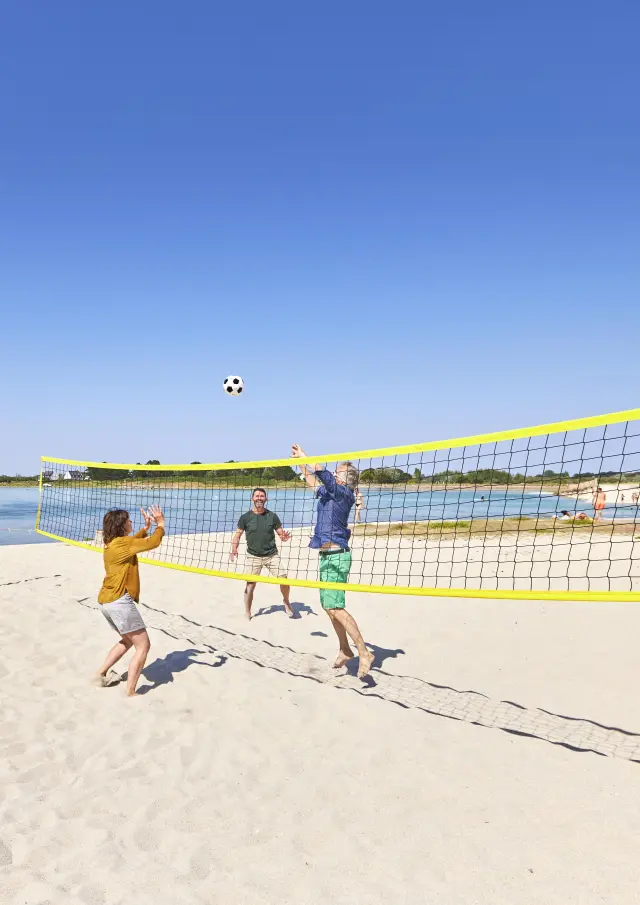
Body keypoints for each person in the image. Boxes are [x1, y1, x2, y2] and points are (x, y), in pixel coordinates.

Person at [291, 444, 374, 679]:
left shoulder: (344, 493)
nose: (334, 475)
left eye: (337, 473)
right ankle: (345, 649)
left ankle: (363, 652)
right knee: (329, 608)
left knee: (335, 607)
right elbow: (312, 480)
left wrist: (308, 456)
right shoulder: (330, 493)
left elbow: (321, 472)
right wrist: (299, 461)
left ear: (344, 480)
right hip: (326, 555)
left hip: (338, 555)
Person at [94, 506, 165, 697]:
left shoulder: (112, 542)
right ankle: (131, 692)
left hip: (105, 602)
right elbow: (154, 542)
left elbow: (133, 541)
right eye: (129, 520)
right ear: (121, 525)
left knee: (127, 640)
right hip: (118, 602)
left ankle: (100, 673)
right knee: (143, 646)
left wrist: (145, 528)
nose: (131, 522)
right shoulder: (123, 545)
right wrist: (160, 524)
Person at [230, 487, 293, 619]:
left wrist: (284, 537)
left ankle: (286, 601)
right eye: (257, 496)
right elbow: (237, 535)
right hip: (253, 556)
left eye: (262, 496)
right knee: (250, 586)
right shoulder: (245, 517)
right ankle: (247, 611)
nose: (259, 498)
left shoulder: (272, 516)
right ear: (252, 498)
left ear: (265, 499)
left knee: (284, 580)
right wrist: (234, 549)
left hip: (271, 555)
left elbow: (281, 533)